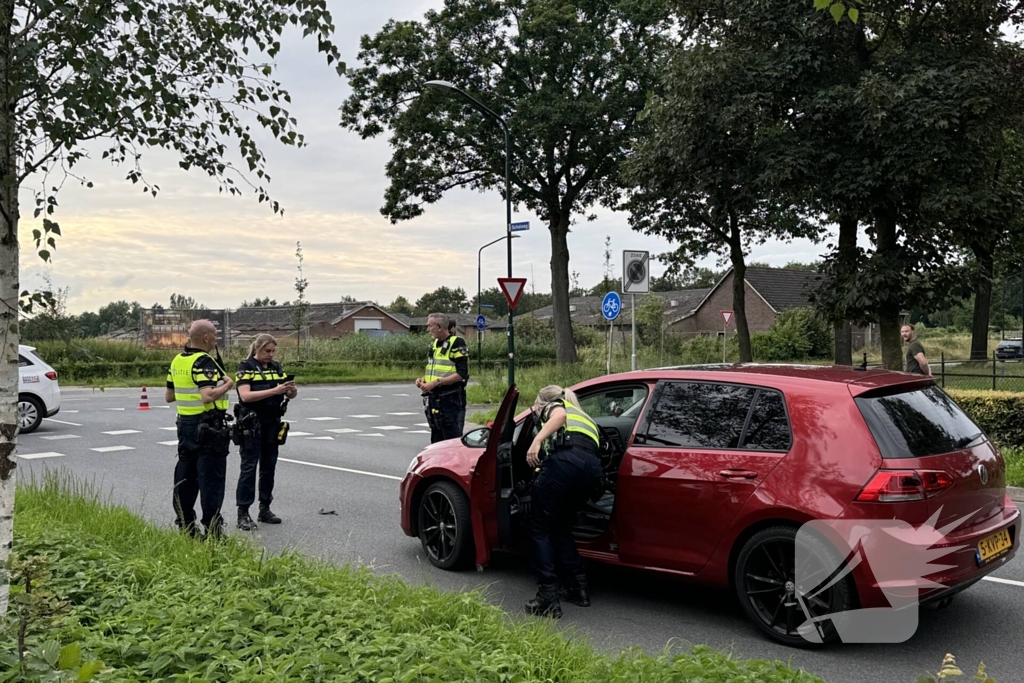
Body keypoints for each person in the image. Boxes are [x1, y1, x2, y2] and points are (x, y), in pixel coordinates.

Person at [523, 385, 603, 619]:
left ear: (542, 402)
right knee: (560, 526)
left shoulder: (555, 406)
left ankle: (547, 597)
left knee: (538, 528)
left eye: (535, 407)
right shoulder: (585, 417)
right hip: (591, 472)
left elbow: (559, 416)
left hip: (565, 465)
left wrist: (536, 441)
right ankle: (578, 588)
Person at [165, 319, 234, 539]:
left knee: (185, 477)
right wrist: (227, 384)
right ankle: (213, 531)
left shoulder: (178, 360)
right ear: (205, 337)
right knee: (211, 480)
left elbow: (169, 396)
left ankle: (186, 526)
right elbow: (207, 396)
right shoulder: (204, 361)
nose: (216, 339)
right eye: (215, 335)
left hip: (185, 426)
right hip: (208, 427)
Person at [234, 334, 297, 531]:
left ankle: (265, 508)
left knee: (269, 467)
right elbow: (245, 395)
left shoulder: (277, 367)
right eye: (267, 351)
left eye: (273, 351)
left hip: (272, 422)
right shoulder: (246, 367)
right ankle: (243, 513)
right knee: (249, 468)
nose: (270, 354)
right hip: (251, 423)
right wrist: (275, 391)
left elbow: (289, 394)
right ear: (257, 348)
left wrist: (290, 391)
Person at [415, 312, 469, 442]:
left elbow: (462, 374)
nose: (428, 329)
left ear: (439, 327)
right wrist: (423, 379)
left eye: (430, 326)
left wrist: (436, 383)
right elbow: (435, 369)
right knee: (436, 438)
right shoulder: (434, 344)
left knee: (451, 438)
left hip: (450, 398)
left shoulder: (457, 343)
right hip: (434, 398)